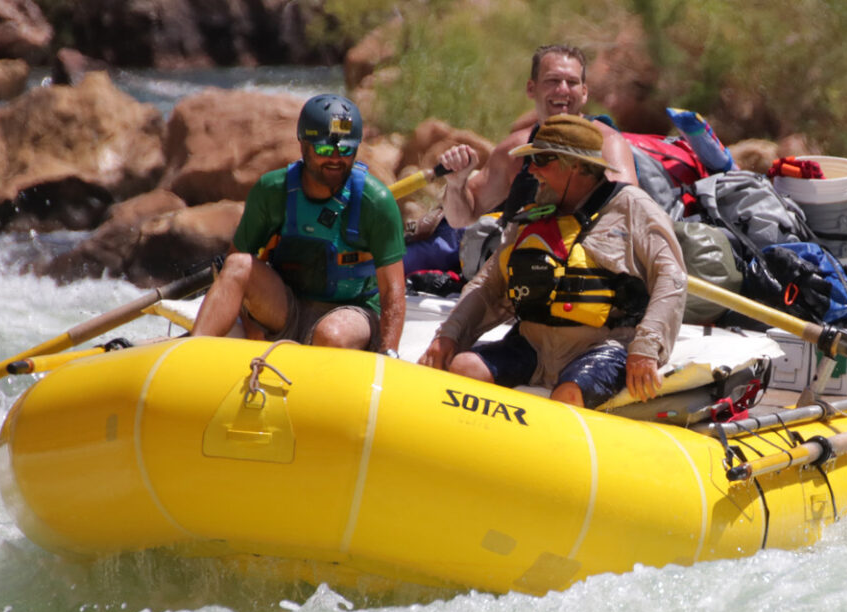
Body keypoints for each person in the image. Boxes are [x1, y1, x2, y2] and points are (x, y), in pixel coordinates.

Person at [418, 115, 685, 409]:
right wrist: (449, 336)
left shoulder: (633, 206)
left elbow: (671, 277)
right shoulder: (533, 213)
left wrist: (646, 348)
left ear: (578, 166)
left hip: (602, 345)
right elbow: (488, 285)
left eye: (542, 159)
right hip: (533, 343)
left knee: (570, 393)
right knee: (465, 367)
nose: (531, 169)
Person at [191, 94, 407, 356]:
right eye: (324, 150)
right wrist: (251, 325)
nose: (335, 159)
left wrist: (389, 354)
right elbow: (236, 265)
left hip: (353, 312)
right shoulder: (272, 191)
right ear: (303, 145)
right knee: (237, 265)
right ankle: (192, 352)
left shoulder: (376, 201)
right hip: (287, 307)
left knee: (330, 334)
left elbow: (393, 291)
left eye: (346, 150)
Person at [433, 44, 638, 231]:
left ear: (584, 93)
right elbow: (461, 219)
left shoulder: (608, 143)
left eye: (572, 82)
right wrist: (457, 184)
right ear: (531, 88)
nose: (563, 89)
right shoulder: (514, 150)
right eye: (553, 80)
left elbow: (627, 210)